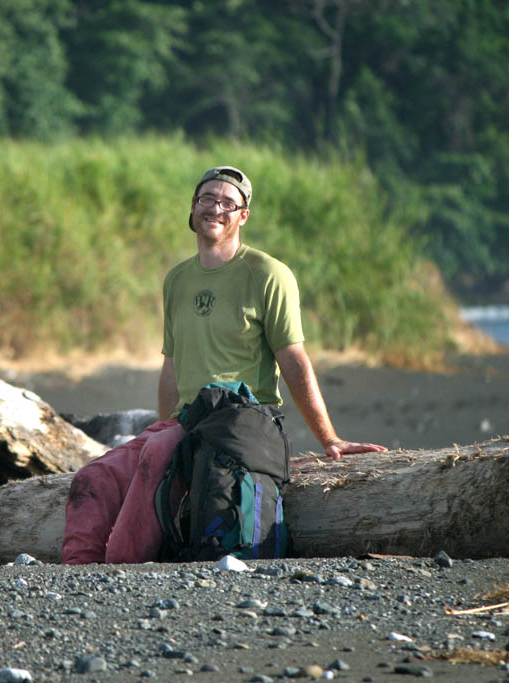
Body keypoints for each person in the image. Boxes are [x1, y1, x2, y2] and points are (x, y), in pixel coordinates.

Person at [61, 165, 386, 564]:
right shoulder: (177, 279)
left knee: (157, 455)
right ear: (193, 208)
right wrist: (165, 424)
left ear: (243, 215)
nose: (216, 208)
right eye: (207, 199)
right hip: (185, 422)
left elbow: (294, 359)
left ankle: (120, 569)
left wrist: (330, 439)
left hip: (241, 418)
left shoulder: (268, 273)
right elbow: (172, 366)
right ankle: (77, 571)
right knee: (91, 477)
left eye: (228, 202)